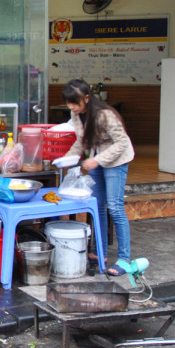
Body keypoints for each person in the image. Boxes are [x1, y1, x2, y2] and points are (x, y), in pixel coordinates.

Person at [62, 79, 135, 276]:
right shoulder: (76, 114)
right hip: (95, 159)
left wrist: (98, 160)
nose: (71, 106)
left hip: (116, 161)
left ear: (87, 98)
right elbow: (80, 141)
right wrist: (66, 159)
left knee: (115, 207)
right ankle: (99, 252)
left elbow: (122, 143)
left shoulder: (106, 115)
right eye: (69, 102)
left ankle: (124, 259)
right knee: (97, 206)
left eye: (75, 102)